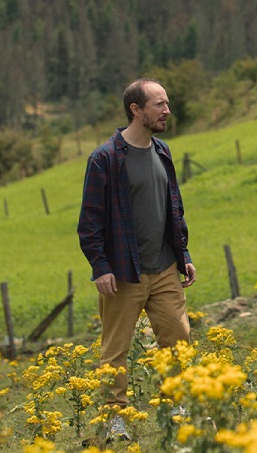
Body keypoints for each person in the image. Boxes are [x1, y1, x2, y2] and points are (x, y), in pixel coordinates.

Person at [77, 78, 197, 441]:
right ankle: (115, 421)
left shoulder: (162, 151)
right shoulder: (105, 158)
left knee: (178, 338)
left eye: (166, 103)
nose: (167, 111)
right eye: (159, 104)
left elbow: (173, 208)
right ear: (136, 109)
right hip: (123, 274)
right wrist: (100, 266)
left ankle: (175, 408)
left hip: (164, 270)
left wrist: (184, 254)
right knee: (115, 351)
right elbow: (90, 220)